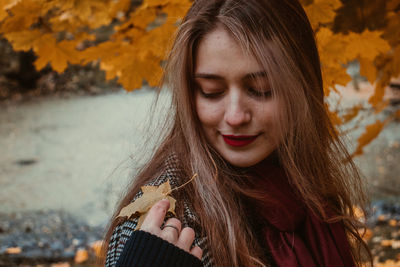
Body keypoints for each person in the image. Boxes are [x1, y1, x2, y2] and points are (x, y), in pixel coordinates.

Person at [102, 0, 372, 266]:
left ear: (303, 88)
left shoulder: (304, 193)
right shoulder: (166, 227)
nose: (235, 116)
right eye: (212, 91)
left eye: (261, 89)